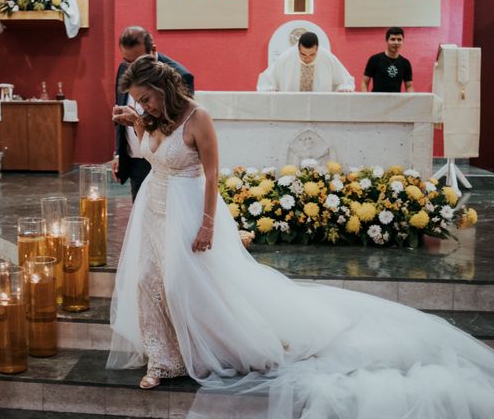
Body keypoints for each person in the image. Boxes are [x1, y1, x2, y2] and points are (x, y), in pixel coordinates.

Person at [106, 54, 494, 417]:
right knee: (145, 282)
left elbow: (211, 175)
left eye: (146, 99)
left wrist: (208, 223)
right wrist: (136, 123)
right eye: (138, 101)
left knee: (181, 284)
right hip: (154, 210)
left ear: (163, 89)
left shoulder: (198, 117)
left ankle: (213, 347)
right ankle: (165, 359)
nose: (145, 106)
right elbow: (148, 155)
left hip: (189, 210)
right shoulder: (151, 119)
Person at [112, 26, 194, 201]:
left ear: (153, 50)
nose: (133, 68)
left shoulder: (180, 75)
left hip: (165, 160)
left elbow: (176, 128)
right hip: (136, 159)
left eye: (139, 61)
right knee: (142, 215)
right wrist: (119, 152)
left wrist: (136, 121)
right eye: (128, 61)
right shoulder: (123, 69)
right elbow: (120, 110)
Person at [257, 32, 355, 92]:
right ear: (298, 48)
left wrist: (344, 87)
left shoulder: (327, 57)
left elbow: (344, 81)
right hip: (292, 106)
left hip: (320, 106)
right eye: (303, 54)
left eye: (312, 55)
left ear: (317, 49)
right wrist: (270, 89)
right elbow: (267, 81)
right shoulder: (286, 57)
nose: (307, 58)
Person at [362, 27, 414, 93]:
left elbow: (409, 86)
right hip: (376, 101)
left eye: (399, 39)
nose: (396, 42)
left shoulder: (405, 63)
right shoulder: (374, 59)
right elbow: (365, 82)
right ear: (387, 40)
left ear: (402, 41)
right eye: (393, 39)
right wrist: (366, 99)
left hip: (396, 102)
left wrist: (411, 101)